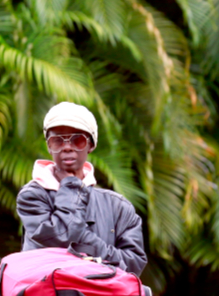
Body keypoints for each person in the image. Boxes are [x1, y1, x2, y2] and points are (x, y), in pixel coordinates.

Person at [17, 102, 147, 276]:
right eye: (57, 140)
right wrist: (71, 185)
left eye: (77, 140)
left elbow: (134, 265)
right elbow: (60, 238)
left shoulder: (118, 206)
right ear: (49, 146)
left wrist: (84, 241)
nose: (67, 147)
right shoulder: (32, 196)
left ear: (91, 145)